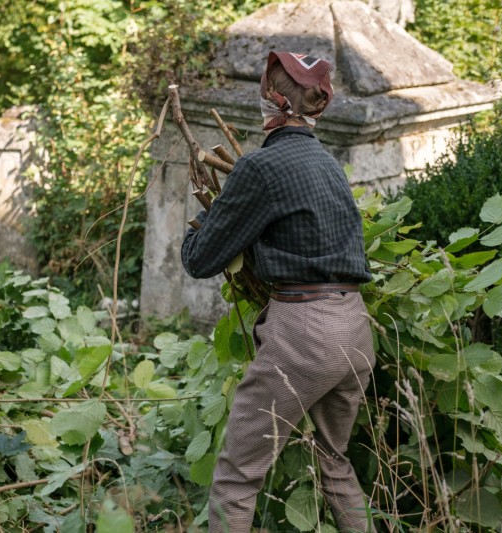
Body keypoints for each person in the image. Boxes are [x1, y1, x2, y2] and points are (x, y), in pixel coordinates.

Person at [181, 52, 376, 533]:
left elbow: (200, 260)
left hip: (304, 335)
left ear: (271, 96)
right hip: (355, 329)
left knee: (235, 477)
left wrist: (211, 209)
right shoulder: (328, 165)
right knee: (335, 463)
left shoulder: (261, 168)